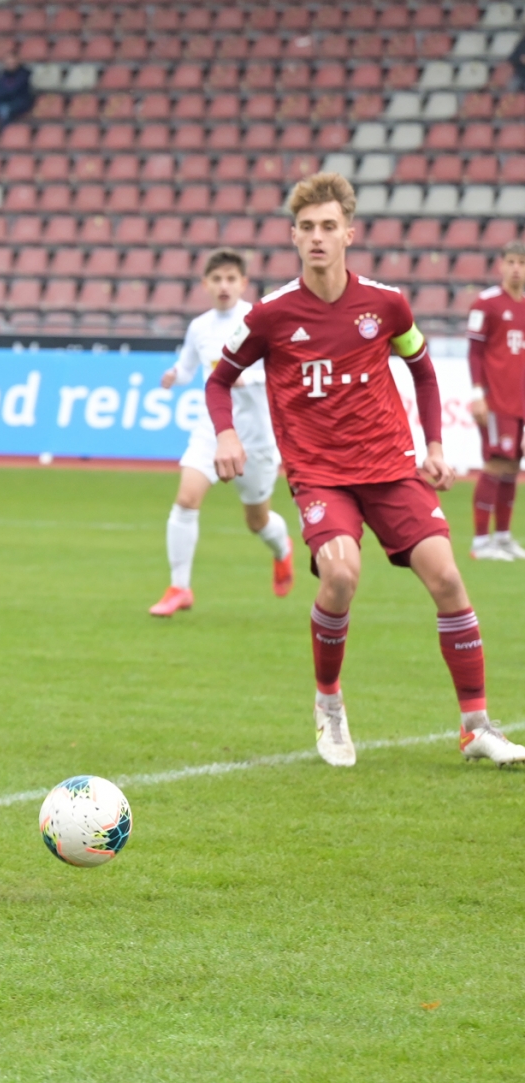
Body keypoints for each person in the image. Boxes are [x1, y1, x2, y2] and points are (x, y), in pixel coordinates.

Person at [205, 172, 525, 767]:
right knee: (342, 577)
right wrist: (226, 432)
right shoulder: (270, 315)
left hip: (391, 468)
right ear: (293, 237)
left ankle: (476, 727)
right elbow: (219, 380)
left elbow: (424, 369)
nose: (318, 237)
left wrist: (433, 446)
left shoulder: (386, 304)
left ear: (350, 233)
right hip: (320, 475)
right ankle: (329, 707)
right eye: (307, 228)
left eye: (329, 226)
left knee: (449, 579)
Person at [148, 247, 294, 616]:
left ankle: (283, 549)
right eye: (217, 279)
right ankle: (179, 587)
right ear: (205, 285)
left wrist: (251, 378)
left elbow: (286, 372)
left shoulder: (261, 320)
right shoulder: (199, 326)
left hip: (256, 438)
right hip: (212, 430)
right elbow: (186, 368)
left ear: (243, 283)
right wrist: (174, 378)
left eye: (231, 279)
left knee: (257, 521)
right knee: (186, 500)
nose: (224, 286)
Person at [464, 240, 525, 560]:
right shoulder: (485, 304)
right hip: (495, 399)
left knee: (513, 467)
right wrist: (478, 394)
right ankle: (479, 542)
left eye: (522, 263)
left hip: (519, 402)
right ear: (501, 265)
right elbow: (474, 353)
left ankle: (502, 536)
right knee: (496, 462)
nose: (517, 268)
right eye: (512, 262)